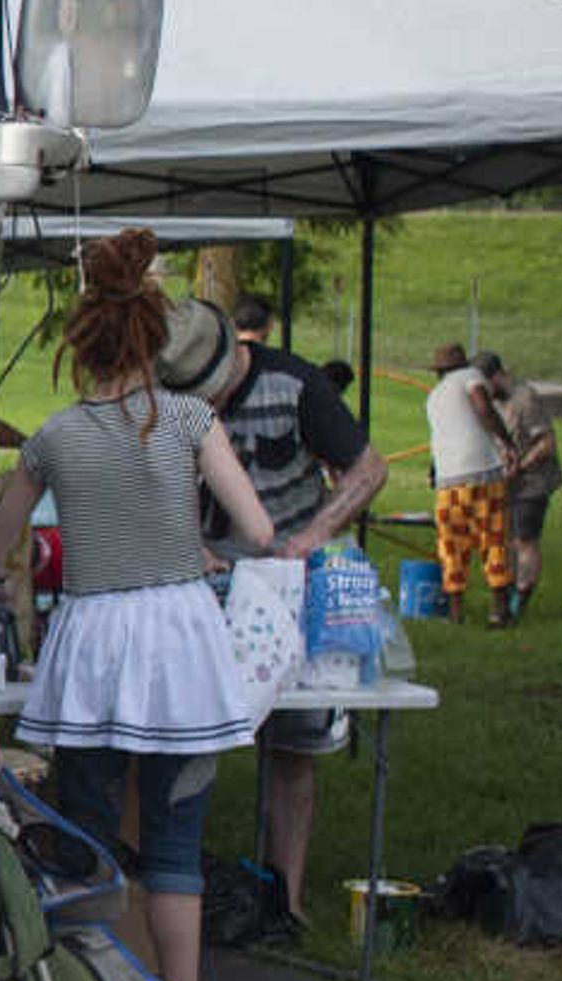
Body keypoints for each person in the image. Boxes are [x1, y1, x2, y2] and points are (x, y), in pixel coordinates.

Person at [0, 231, 279, 981]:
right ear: (157, 341)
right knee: (177, 843)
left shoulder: (53, 437)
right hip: (180, 640)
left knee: (84, 834)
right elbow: (256, 525)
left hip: (92, 642)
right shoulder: (188, 419)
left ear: (84, 347)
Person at [158, 293, 389, 934]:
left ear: (237, 350)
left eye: (215, 389)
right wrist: (191, 546)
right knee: (184, 737)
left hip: (294, 573)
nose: (211, 404)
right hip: (205, 582)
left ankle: (284, 900)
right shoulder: (169, 396)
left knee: (291, 747)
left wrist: (314, 536)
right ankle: (178, 888)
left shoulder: (295, 383)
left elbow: (368, 472)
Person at [424, 340, 511, 621]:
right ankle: (498, 610)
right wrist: (506, 441)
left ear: (438, 371)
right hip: (483, 472)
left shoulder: (433, 396)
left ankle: (455, 612)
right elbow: (483, 408)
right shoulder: (471, 377)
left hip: (448, 480)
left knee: (452, 545)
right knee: (492, 539)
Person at [475, 351, 560, 622]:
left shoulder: (525, 399)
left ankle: (520, 599)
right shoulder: (491, 402)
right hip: (503, 483)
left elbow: (547, 444)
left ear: (498, 375)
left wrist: (519, 468)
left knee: (524, 540)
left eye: (486, 385)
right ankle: (507, 594)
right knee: (504, 542)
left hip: (531, 483)